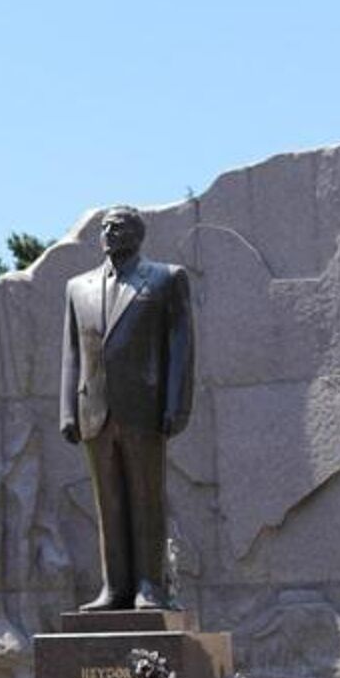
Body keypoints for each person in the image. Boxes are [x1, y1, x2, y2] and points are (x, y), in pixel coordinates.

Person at [59, 205, 194, 611]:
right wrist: (67, 410)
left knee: (147, 501)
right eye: (105, 227)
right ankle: (114, 588)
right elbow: (71, 353)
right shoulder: (77, 287)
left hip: (145, 409)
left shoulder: (167, 279)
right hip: (94, 412)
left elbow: (181, 348)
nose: (108, 232)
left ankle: (150, 587)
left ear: (137, 234)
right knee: (109, 504)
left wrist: (175, 404)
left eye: (117, 227)